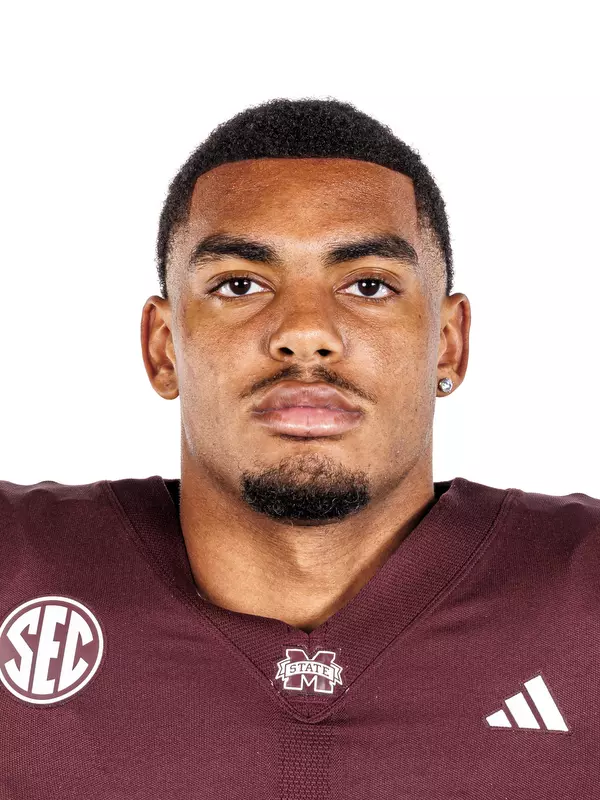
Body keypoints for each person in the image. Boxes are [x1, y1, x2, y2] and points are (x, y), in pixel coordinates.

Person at [1, 98, 598, 800]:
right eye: (241, 285)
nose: (306, 332)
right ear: (163, 348)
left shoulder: (582, 592)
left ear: (450, 342)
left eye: (368, 285)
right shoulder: (17, 566)